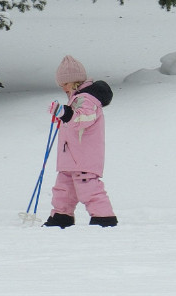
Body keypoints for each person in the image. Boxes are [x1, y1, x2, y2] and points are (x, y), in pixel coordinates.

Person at [43, 55, 118, 228]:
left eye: (65, 84)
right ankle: (61, 217)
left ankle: (104, 218)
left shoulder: (88, 99)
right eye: (61, 85)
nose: (63, 88)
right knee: (64, 189)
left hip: (84, 157)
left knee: (88, 188)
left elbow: (83, 118)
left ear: (75, 81)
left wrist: (65, 113)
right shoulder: (76, 98)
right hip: (70, 157)